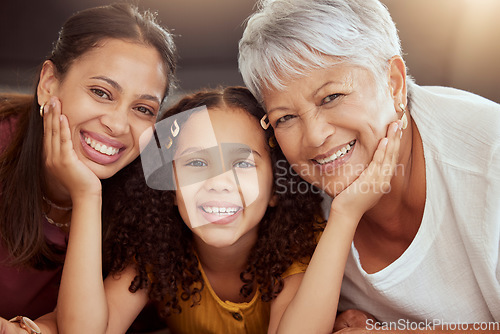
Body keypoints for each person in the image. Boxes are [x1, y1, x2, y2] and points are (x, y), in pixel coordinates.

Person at [238, 0, 500, 332]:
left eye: (331, 97)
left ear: (393, 83)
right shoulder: (290, 198)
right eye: (286, 117)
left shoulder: (490, 157)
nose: (316, 137)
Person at [53, 85, 399, 334]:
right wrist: (86, 195)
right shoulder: (156, 250)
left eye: (243, 164)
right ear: (171, 188)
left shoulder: (299, 246)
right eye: (197, 162)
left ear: (276, 188)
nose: (218, 182)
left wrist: (346, 213)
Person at [0, 3, 176, 333]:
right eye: (100, 92)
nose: (118, 124)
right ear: (49, 83)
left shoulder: (151, 201)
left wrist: (86, 195)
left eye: (142, 109)